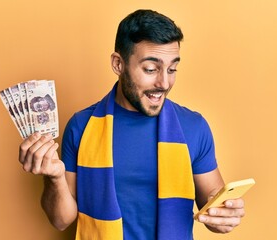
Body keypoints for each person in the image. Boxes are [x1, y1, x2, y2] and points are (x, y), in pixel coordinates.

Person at [18, 9, 245, 240]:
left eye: (172, 69)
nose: (164, 82)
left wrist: (224, 216)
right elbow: (60, 220)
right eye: (150, 69)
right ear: (118, 64)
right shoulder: (81, 126)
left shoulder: (194, 127)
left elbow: (214, 207)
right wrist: (54, 178)